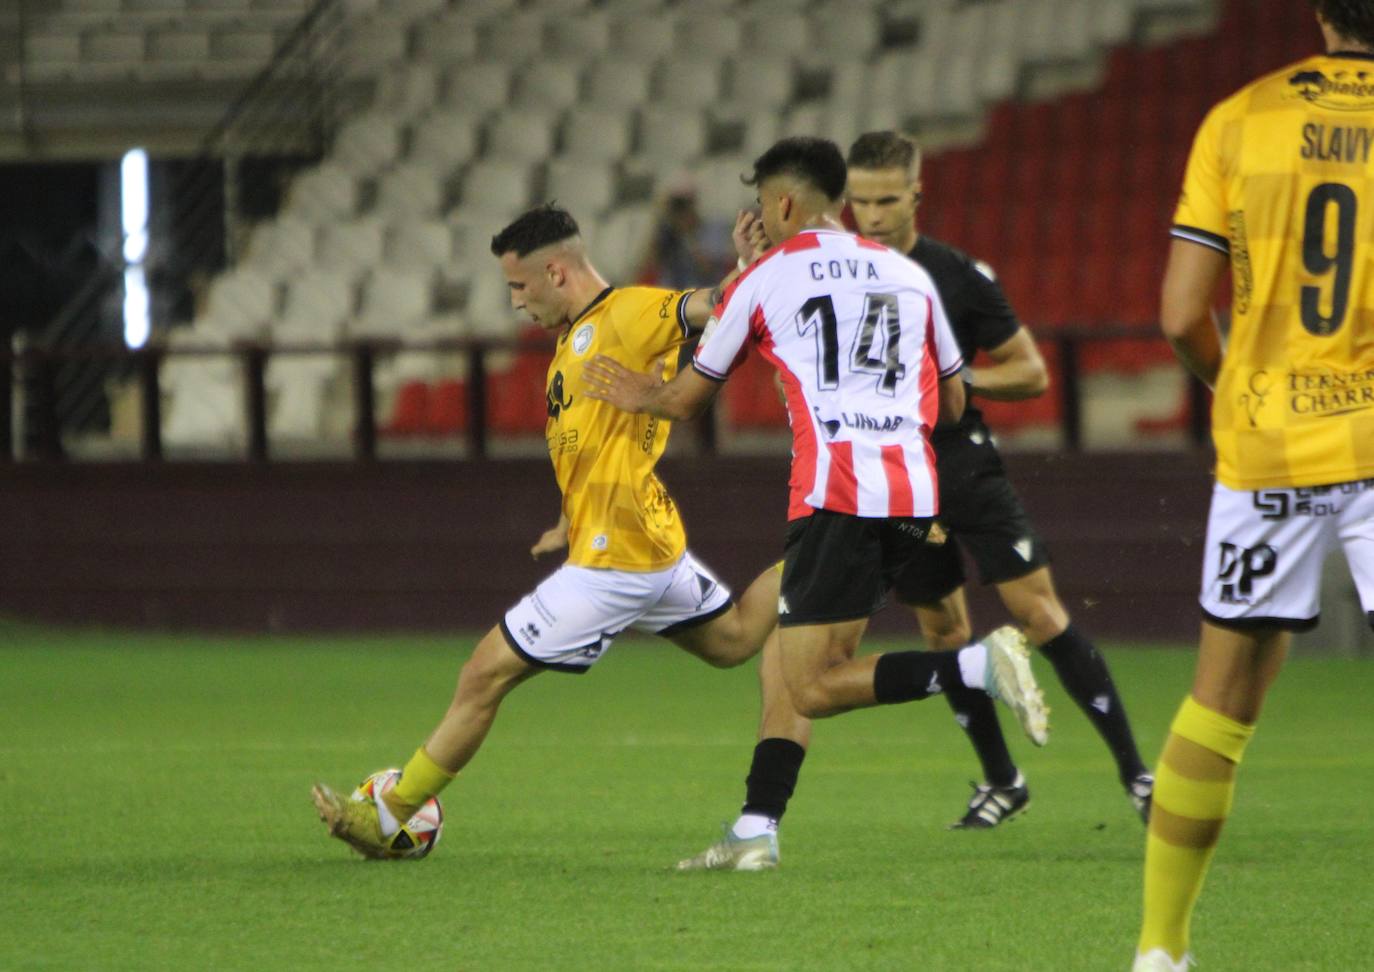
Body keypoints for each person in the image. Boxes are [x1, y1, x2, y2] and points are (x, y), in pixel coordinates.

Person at [584, 136, 1051, 869]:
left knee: (812, 685)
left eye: (762, 205)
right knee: (785, 655)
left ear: (783, 203)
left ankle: (969, 670)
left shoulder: (765, 279)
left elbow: (686, 402)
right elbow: (955, 400)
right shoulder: (907, 274)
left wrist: (640, 392)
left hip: (834, 496)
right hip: (912, 496)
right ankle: (755, 829)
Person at [682, 131, 1153, 849]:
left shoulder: (948, 275)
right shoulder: (822, 270)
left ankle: (1135, 773)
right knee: (904, 635)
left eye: (886, 199)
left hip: (943, 469)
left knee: (1032, 612)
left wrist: (915, 387)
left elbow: (1029, 373)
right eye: (861, 200)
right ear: (845, 201)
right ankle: (996, 778)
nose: (872, 214)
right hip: (890, 478)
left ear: (915, 198)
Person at [311, 204, 790, 858]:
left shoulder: (625, 314)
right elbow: (597, 443)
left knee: (484, 675)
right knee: (734, 640)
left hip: (616, 562)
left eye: (518, 286)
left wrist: (746, 265)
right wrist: (569, 516)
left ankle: (387, 815)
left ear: (556, 272)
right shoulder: (574, 339)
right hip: (644, 540)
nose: (514, 302)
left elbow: (720, 305)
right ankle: (828, 551)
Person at [1133, 4, 1374, 969]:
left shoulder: (1238, 118)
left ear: (1320, 11)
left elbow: (1184, 314)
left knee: (1221, 697)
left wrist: (1239, 387)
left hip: (1267, 439)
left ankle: (1160, 950)